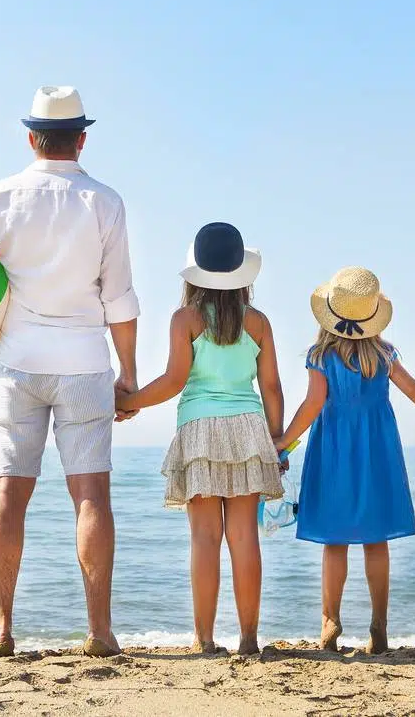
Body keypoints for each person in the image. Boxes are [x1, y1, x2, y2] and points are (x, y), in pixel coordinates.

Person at [0, 86, 139, 658]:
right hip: (86, 363)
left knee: (8, 495)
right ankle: (100, 631)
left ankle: (1, 628)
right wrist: (129, 375)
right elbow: (120, 299)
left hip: (16, 365)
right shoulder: (105, 202)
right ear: (82, 138)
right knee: (91, 497)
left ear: (31, 137)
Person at [116, 223, 284, 656]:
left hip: (200, 429)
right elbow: (272, 389)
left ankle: (205, 640)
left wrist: (132, 401)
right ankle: (249, 639)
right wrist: (276, 440)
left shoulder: (185, 319)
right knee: (244, 537)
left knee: (204, 539)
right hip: (248, 427)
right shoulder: (259, 323)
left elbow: (174, 381)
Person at [276, 267, 415, 655]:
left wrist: (283, 443)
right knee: (376, 540)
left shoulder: (320, 356)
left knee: (334, 540)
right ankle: (379, 624)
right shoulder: (384, 353)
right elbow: (413, 389)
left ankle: (330, 620)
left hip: (333, 450)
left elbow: (311, 406)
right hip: (378, 449)